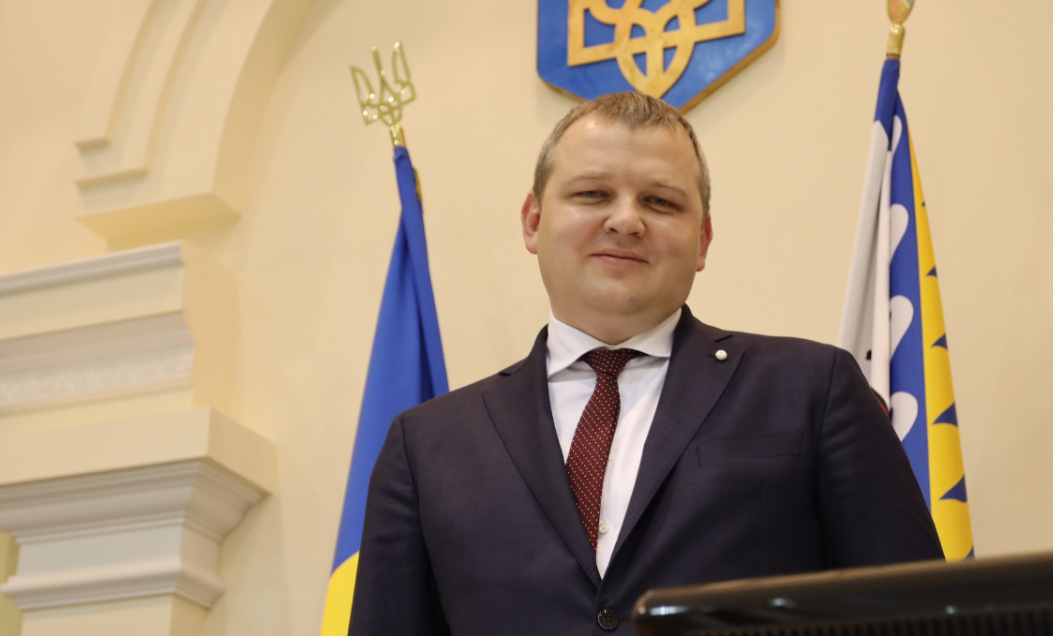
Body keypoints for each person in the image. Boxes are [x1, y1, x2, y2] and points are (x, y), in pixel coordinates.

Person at [348, 92, 944, 636]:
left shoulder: (812, 388)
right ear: (533, 221)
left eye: (660, 202)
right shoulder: (426, 445)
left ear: (702, 240)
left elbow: (913, 617)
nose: (626, 220)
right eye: (592, 194)